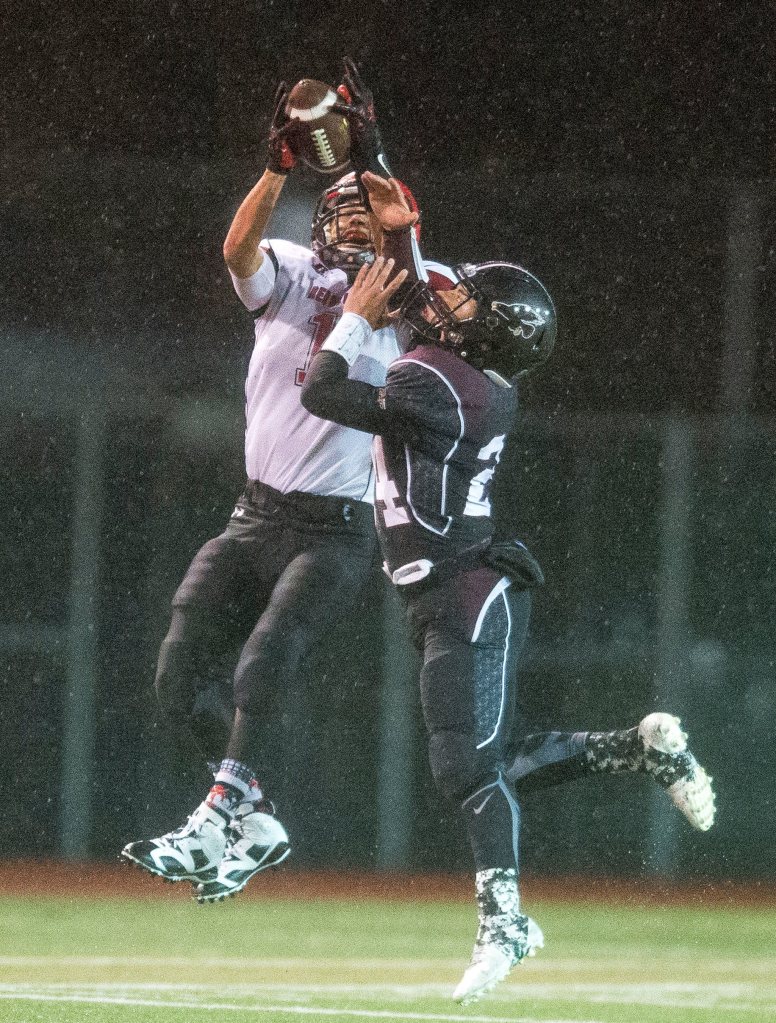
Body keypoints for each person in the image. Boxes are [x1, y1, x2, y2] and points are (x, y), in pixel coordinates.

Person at [299, 174, 716, 1005]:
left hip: (464, 591)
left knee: (467, 768)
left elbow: (320, 389)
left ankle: (506, 922)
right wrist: (394, 215)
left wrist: (354, 314)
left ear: (485, 332)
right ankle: (640, 747)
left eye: (465, 305)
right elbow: (422, 293)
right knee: (487, 761)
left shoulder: (445, 384)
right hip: (456, 586)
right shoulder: (464, 373)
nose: (445, 306)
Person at [120, 68, 453, 904]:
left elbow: (412, 275)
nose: (342, 217)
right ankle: (254, 816)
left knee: (265, 659)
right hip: (254, 512)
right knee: (176, 672)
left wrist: (377, 167)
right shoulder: (297, 270)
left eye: (359, 206)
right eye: (334, 205)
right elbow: (238, 252)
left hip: (334, 526)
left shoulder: (407, 285)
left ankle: (221, 808)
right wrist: (275, 167)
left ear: (387, 218)